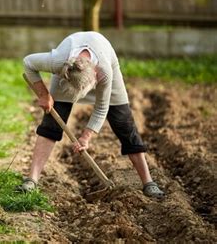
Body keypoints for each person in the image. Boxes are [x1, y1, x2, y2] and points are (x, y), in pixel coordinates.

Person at [18, 31, 165, 198]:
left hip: (105, 67)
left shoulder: (104, 71)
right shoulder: (58, 61)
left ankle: (148, 182)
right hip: (68, 77)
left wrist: (85, 138)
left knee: (124, 124)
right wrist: (44, 94)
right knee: (50, 124)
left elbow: (102, 107)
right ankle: (32, 179)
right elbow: (28, 62)